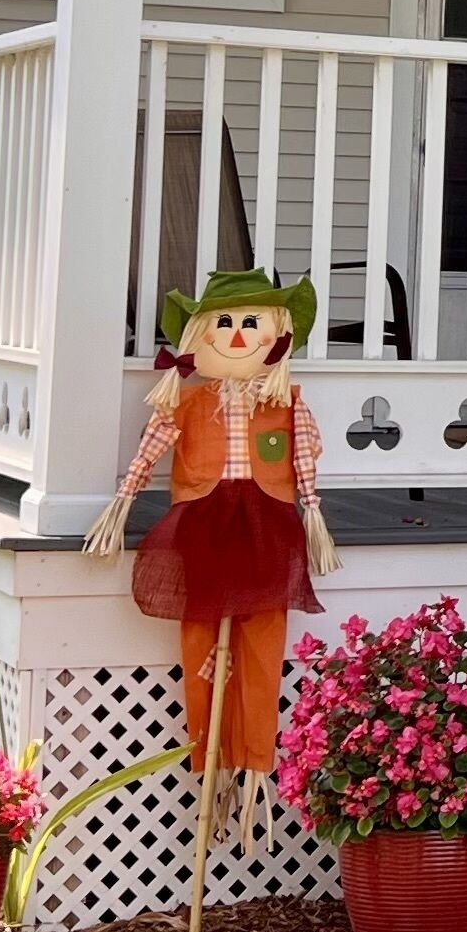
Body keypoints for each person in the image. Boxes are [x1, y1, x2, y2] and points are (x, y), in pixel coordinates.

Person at [84, 267, 340, 777]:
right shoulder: (190, 403)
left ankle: (255, 762)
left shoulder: (286, 404)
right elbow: (148, 452)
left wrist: (313, 514)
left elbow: (305, 465)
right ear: (199, 337)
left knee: (264, 637)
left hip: (268, 526)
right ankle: (211, 756)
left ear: (279, 335)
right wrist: (121, 504)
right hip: (202, 522)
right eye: (224, 323)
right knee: (200, 633)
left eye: (252, 322)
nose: (240, 335)